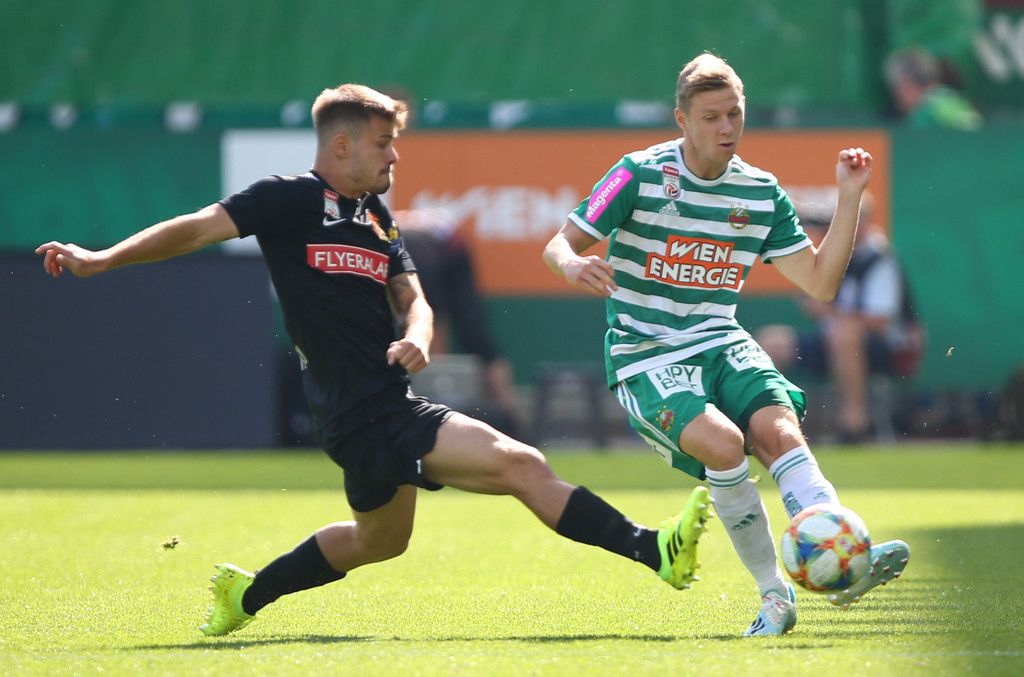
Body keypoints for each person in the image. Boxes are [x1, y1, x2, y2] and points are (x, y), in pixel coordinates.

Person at [36, 84, 713, 638]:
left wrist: (418, 333)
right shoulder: (286, 199)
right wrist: (103, 259)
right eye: (384, 142)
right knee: (520, 463)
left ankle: (247, 595)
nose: (395, 155)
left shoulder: (377, 217)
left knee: (380, 540)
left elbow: (413, 298)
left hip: (377, 405)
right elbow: (195, 228)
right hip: (361, 410)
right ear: (342, 145)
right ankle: (653, 549)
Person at [543, 53, 910, 637]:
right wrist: (571, 265)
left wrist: (848, 197)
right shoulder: (636, 173)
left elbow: (820, 282)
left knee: (779, 432)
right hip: (646, 351)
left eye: (734, 114)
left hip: (719, 338)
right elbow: (559, 243)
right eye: (711, 117)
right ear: (682, 120)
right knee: (723, 445)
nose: (726, 128)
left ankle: (843, 562)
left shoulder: (760, 191)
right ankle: (774, 596)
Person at [757, 197, 923, 442]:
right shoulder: (832, 256)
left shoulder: (879, 258)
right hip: (833, 342)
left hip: (886, 349)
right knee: (772, 341)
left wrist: (827, 311)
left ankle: (853, 423)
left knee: (844, 335)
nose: (830, 229)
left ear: (861, 222)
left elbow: (879, 321)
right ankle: (769, 422)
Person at [396, 207, 526, 438]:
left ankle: (510, 417)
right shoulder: (394, 238)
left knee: (469, 337)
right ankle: (508, 417)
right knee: (465, 338)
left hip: (446, 251)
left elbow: (430, 318)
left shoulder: (402, 244)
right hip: (440, 247)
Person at [884, 46, 982, 130]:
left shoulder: (924, 117)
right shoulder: (957, 102)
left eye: (896, 90)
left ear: (906, 83)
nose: (897, 100)